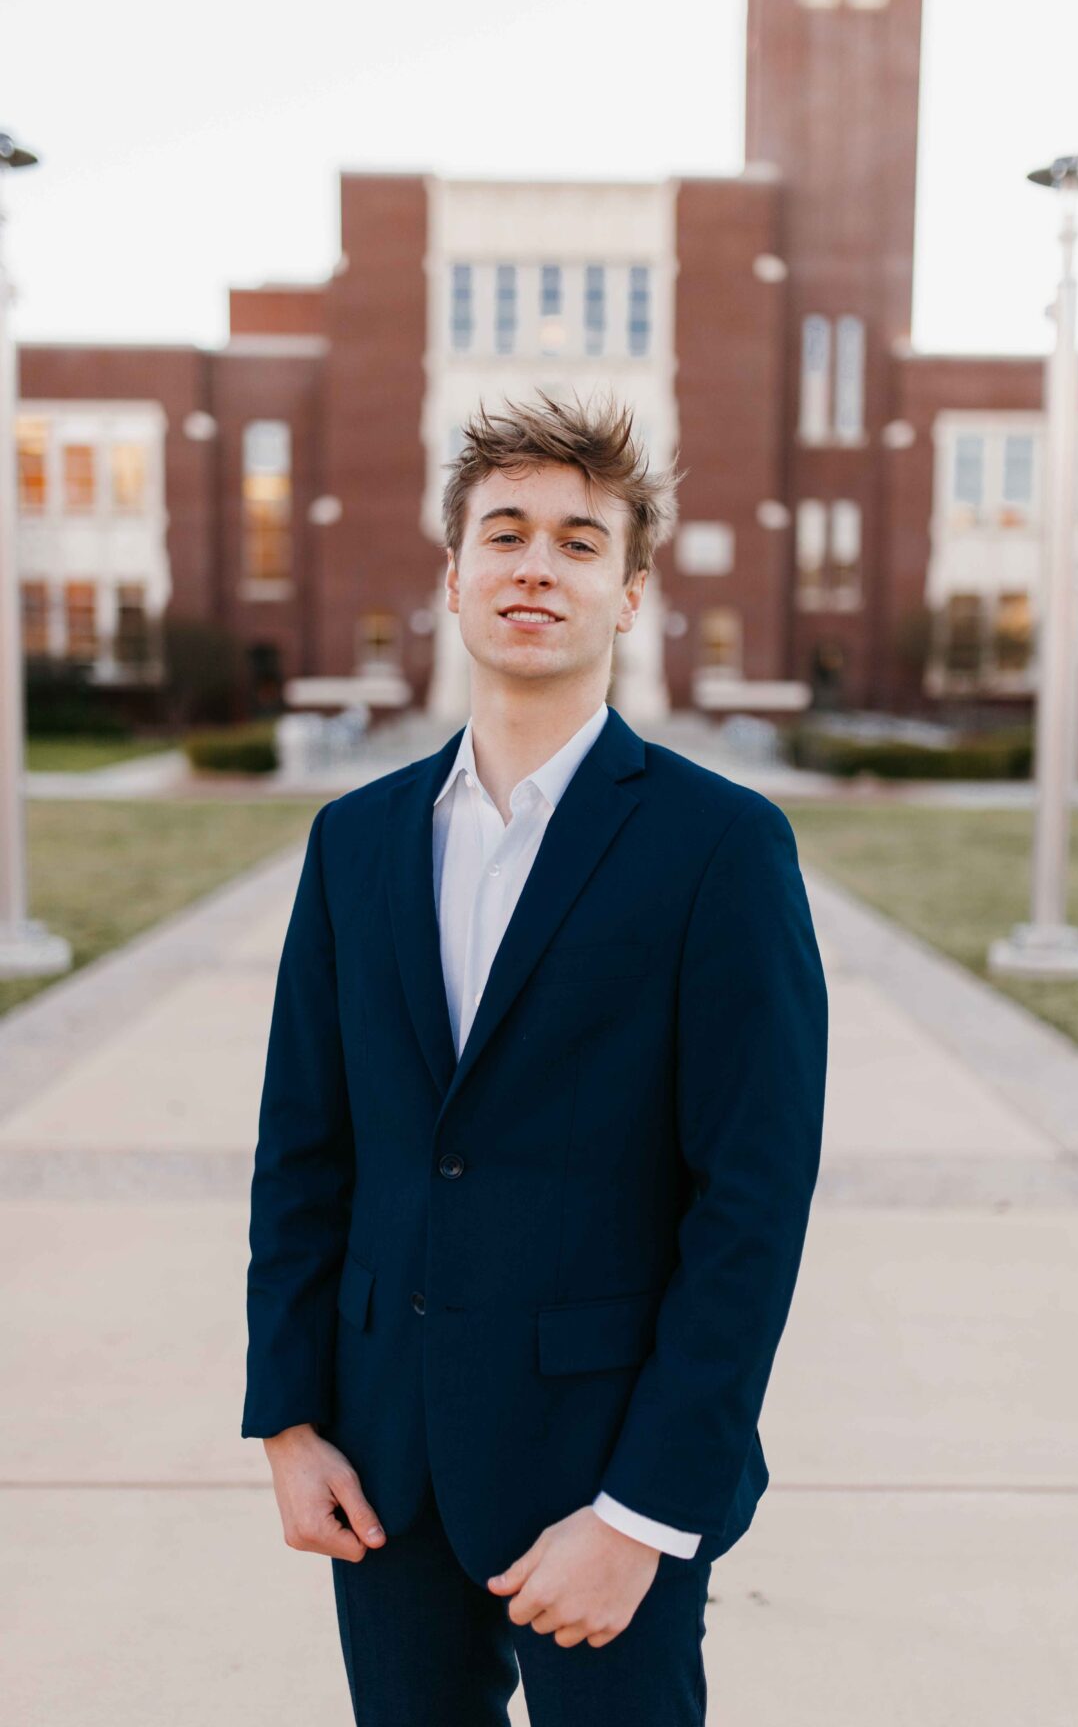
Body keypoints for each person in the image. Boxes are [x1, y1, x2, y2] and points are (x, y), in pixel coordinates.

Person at [241, 391, 828, 1725]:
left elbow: (751, 1208)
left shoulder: (721, 849)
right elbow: (305, 1153)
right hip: (379, 1469)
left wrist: (645, 1513)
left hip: (602, 1473)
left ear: (627, 595)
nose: (536, 565)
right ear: (454, 579)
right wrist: (289, 1422)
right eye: (504, 534)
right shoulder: (355, 843)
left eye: (578, 541)